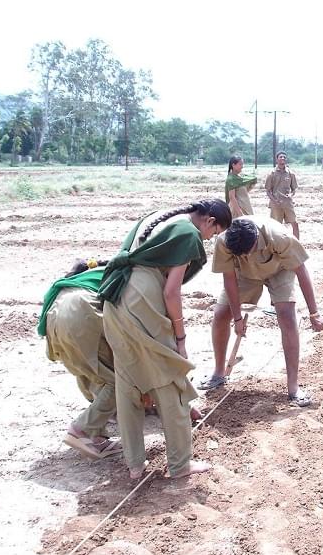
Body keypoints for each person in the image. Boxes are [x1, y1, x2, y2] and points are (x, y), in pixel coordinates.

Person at [99, 199, 232, 479]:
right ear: (209, 221)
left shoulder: (162, 217)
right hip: (143, 298)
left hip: (116, 296)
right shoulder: (188, 233)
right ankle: (180, 464)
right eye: (214, 233)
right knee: (171, 379)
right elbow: (171, 292)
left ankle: (135, 465)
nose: (209, 239)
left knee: (128, 382)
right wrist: (180, 336)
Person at [202, 216, 323, 406]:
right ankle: (218, 373)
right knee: (220, 315)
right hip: (245, 274)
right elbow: (229, 279)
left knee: (287, 317)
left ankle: (293, 388)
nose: (244, 256)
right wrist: (237, 318)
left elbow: (301, 271)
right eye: (239, 255)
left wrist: (314, 313)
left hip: (279, 271)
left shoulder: (279, 237)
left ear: (255, 241)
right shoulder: (224, 241)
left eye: (246, 252)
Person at [39, 258, 122, 460]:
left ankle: (96, 435)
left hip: (54, 317)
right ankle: (81, 430)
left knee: (88, 372)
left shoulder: (80, 279)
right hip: (80, 315)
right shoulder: (118, 274)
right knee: (119, 381)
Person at [265, 151, 299, 239]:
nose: (283, 158)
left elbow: (294, 189)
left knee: (295, 223)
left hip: (288, 203)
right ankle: (275, 246)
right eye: (280, 157)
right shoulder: (271, 174)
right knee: (275, 226)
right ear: (277, 159)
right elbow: (268, 191)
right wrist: (274, 200)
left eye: (284, 157)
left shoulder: (291, 174)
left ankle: (297, 244)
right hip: (276, 204)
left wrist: (291, 195)